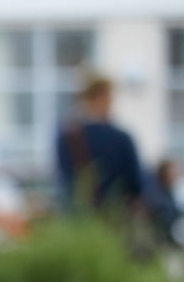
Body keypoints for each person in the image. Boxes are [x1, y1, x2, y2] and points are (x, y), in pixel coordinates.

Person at [55, 72, 143, 215]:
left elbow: (65, 182)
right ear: (104, 98)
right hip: (115, 218)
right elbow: (135, 185)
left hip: (78, 219)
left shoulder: (67, 137)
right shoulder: (121, 138)